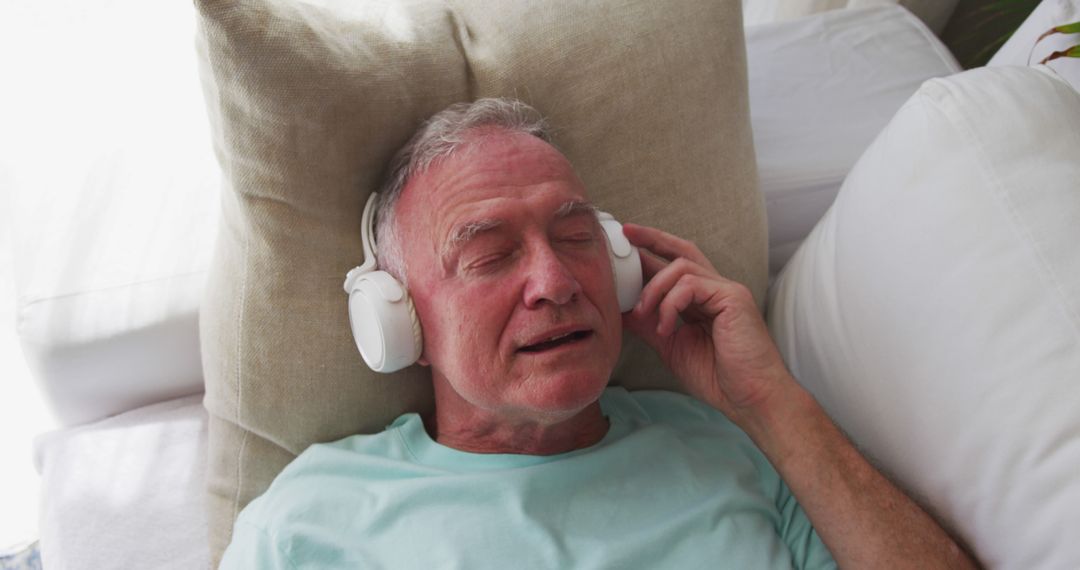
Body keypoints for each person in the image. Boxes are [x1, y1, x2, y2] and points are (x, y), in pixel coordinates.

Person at [220, 98, 977, 569]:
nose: (554, 282)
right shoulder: (312, 522)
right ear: (398, 318)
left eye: (577, 237)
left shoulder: (733, 450)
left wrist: (770, 401)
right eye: (490, 255)